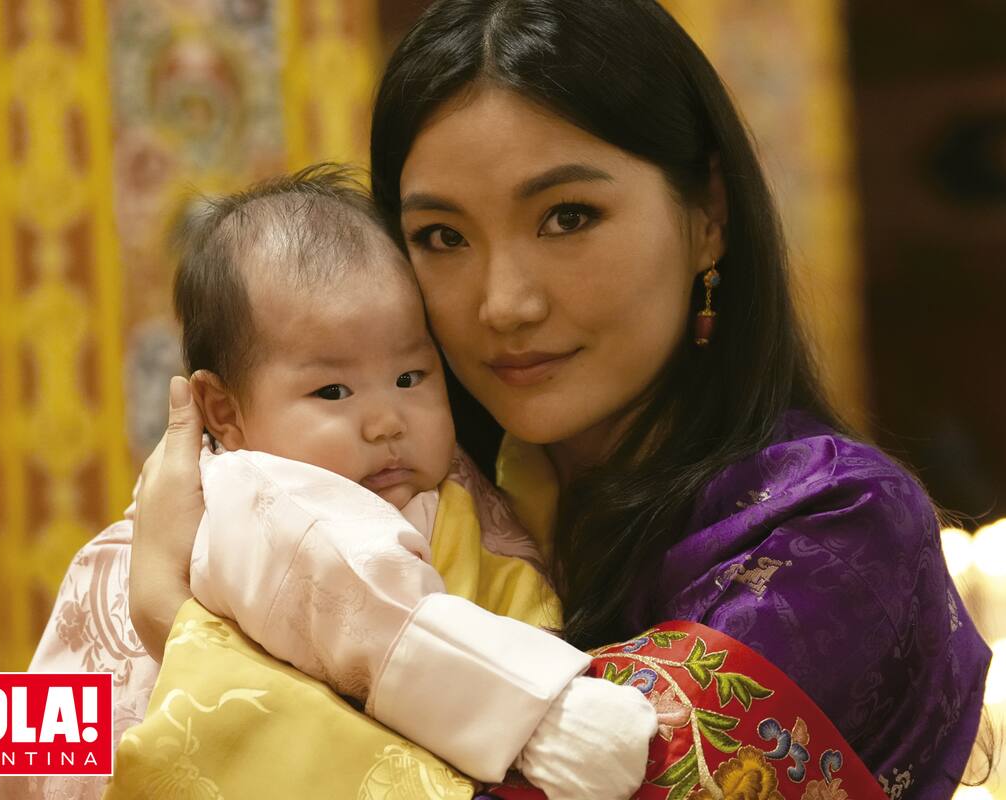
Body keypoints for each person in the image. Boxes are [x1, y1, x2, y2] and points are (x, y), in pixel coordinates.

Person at [14, 1, 991, 799]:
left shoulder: (833, 524)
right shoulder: (424, 486)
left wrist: (174, 620)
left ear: (708, 215)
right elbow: (10, 738)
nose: (503, 302)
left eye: (569, 216)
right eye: (442, 236)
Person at [164, 166, 657, 796]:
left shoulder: (459, 476)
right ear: (226, 414)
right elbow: (368, 610)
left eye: (410, 377)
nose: (385, 422)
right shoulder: (265, 498)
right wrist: (543, 721)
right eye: (332, 391)